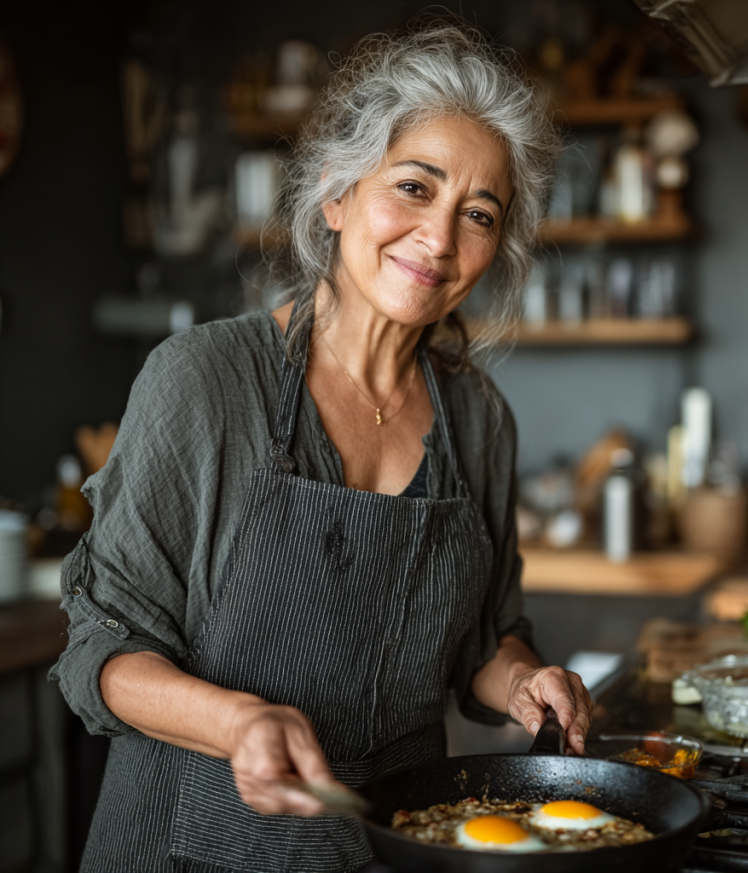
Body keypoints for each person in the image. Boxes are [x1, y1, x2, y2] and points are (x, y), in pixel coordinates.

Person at [51, 23, 593, 873]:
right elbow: (101, 648)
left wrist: (524, 679)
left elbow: (487, 639)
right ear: (336, 194)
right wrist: (237, 722)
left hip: (390, 847)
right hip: (182, 849)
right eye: (413, 186)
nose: (439, 238)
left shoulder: (478, 417)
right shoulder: (204, 379)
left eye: (477, 214)